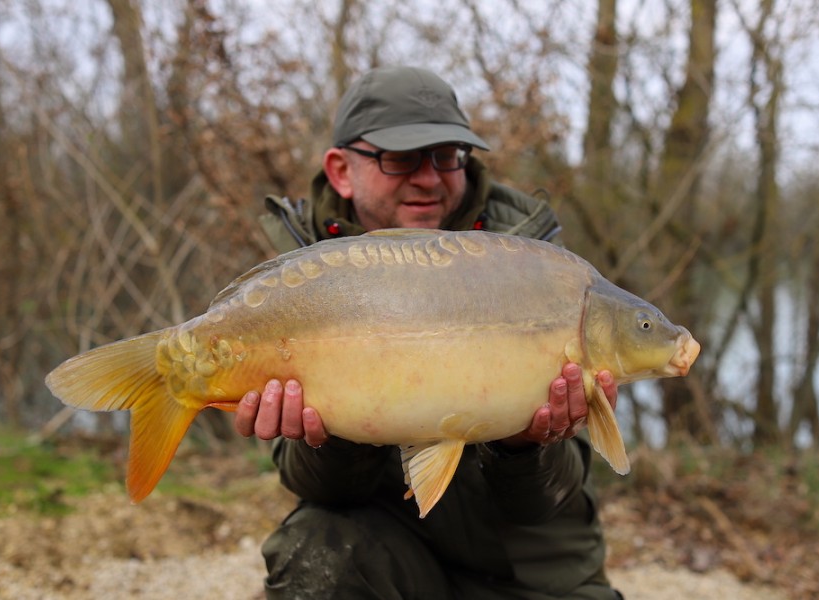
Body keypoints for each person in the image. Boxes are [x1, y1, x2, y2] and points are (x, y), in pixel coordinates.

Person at [234, 66, 623, 600]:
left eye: (447, 156)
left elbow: (546, 502)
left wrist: (522, 445)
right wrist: (328, 436)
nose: (429, 177)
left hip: (530, 569)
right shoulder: (302, 285)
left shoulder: (535, 269)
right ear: (341, 170)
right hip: (392, 553)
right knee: (316, 550)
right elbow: (322, 490)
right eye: (400, 158)